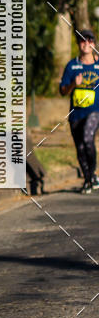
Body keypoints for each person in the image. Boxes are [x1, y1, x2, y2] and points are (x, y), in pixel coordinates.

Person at [59, 28, 99, 194]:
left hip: (95, 111)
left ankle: (93, 173)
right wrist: (73, 84)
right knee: (80, 147)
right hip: (75, 114)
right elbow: (62, 91)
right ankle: (89, 178)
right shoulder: (72, 65)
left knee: (88, 138)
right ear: (78, 44)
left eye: (89, 40)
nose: (86, 44)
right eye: (83, 40)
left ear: (94, 44)